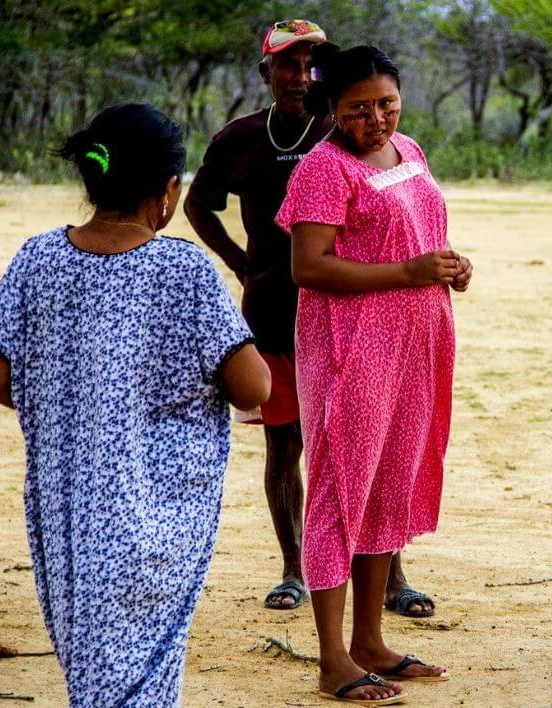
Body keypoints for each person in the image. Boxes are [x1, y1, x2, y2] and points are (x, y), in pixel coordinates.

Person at [0, 104, 270, 708]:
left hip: (67, 521)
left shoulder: (36, 260)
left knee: (97, 683)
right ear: (167, 192)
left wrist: (71, 407)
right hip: (157, 525)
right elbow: (255, 388)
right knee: (135, 690)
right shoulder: (184, 272)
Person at [185, 20, 436, 616]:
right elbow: (198, 202)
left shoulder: (358, 133)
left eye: (311, 66)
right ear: (265, 72)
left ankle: (393, 576)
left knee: (376, 448)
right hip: (276, 314)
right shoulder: (246, 140)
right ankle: (294, 569)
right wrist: (243, 264)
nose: (301, 77)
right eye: (288, 65)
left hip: (362, 322)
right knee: (287, 442)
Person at [276, 45, 472, 705]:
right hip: (351, 352)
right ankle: (333, 659)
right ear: (332, 108)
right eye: (359, 109)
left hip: (413, 349)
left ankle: (370, 642)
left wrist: (446, 264)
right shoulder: (322, 170)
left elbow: (414, 234)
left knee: (388, 482)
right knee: (339, 490)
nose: (377, 119)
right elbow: (309, 266)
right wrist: (408, 274)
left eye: (386, 103)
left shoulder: (409, 151)